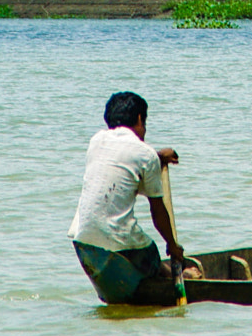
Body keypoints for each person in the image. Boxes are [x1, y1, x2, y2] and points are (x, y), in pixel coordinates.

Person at [69, 90, 194, 305]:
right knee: (150, 252)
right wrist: (173, 246)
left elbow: (125, 157)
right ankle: (166, 273)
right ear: (139, 119)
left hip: (82, 240)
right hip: (118, 243)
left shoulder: (96, 141)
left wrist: (157, 156)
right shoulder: (145, 154)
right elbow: (157, 210)